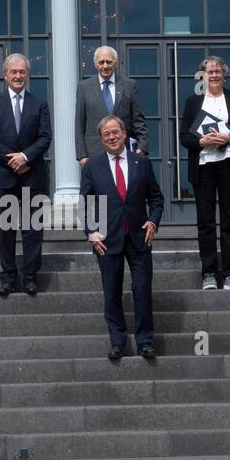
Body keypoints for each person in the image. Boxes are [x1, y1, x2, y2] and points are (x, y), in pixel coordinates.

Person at [81, 115, 164, 361]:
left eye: (115, 132)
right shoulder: (92, 166)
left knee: (142, 289)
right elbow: (85, 204)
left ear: (124, 133)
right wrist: (90, 233)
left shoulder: (141, 163)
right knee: (112, 293)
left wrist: (154, 221)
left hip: (139, 236)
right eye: (106, 134)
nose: (111, 137)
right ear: (102, 139)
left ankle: (145, 341)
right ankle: (117, 342)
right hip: (106, 240)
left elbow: (157, 199)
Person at [179, 55, 230, 290]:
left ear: (224, 74)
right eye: (209, 72)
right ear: (203, 75)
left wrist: (228, 137)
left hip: (229, 164)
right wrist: (202, 141)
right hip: (203, 166)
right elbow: (184, 137)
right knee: (206, 222)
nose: (214, 75)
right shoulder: (193, 102)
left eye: (217, 71)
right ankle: (209, 273)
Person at [0, 53, 51, 297]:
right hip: (3, 176)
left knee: (33, 230)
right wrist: (13, 159)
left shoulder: (39, 103)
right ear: (5, 75)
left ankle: (30, 276)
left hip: (32, 176)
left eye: (22, 72)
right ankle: (8, 277)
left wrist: (25, 157)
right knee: (6, 230)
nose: (18, 76)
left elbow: (45, 137)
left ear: (28, 75)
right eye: (14, 72)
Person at [75, 45, 148, 167]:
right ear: (95, 64)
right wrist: (81, 155)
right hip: (94, 153)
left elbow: (138, 120)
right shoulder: (84, 87)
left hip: (124, 151)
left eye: (108, 62)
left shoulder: (129, 85)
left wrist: (142, 147)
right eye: (101, 62)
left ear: (116, 63)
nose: (105, 66)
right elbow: (79, 124)